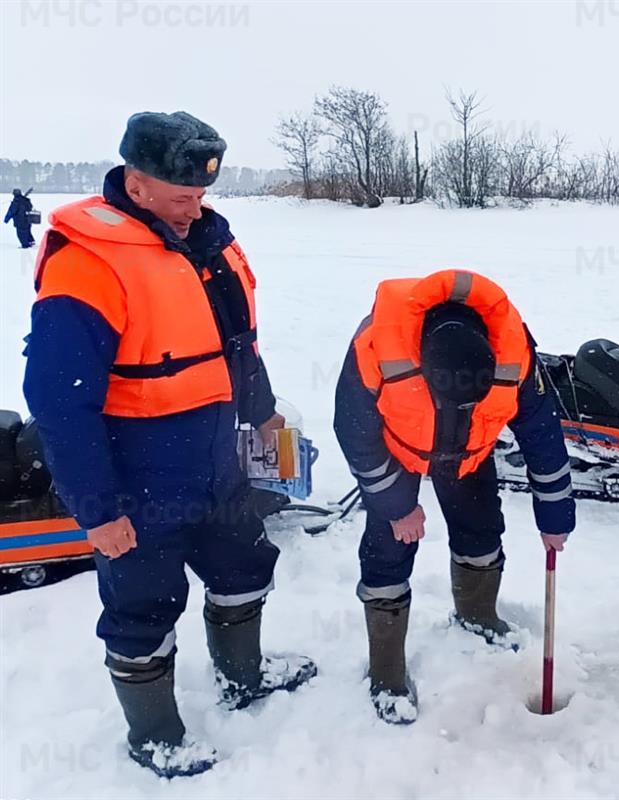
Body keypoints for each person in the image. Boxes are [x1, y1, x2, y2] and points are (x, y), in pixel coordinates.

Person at [23, 111, 316, 777]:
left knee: (245, 570)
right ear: (135, 181)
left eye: (201, 195)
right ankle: (154, 734)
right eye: (180, 195)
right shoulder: (90, 263)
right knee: (142, 608)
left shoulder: (207, 249)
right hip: (137, 477)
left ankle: (244, 677)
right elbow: (59, 400)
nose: (194, 208)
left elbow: (236, 347)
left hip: (216, 463)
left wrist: (265, 414)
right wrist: (97, 509)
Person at [334, 269, 576, 724]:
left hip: (470, 452)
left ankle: (477, 615)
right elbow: (353, 431)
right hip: (397, 450)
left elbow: (542, 434)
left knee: (482, 528)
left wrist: (555, 514)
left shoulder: (514, 352)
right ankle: (386, 673)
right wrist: (396, 506)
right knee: (389, 548)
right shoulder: (376, 347)